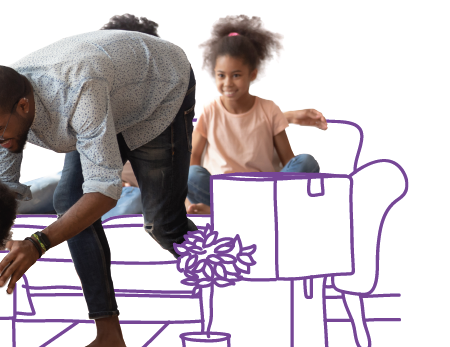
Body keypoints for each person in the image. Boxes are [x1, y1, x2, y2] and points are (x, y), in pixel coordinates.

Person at [0, 30, 197, 347]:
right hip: (109, 93)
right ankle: (110, 340)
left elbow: (104, 193)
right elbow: (2, 186)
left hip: (159, 88)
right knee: (69, 199)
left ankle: (232, 283)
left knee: (164, 225)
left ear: (24, 106)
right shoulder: (6, 99)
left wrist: (38, 243)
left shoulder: (78, 93)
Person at [17, 14, 329, 217]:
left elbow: (188, 160)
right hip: (105, 187)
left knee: (134, 199)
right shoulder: (87, 105)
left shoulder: (163, 109)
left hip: (145, 192)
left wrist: (286, 116)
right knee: (49, 187)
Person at [185, 15, 321, 215]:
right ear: (214, 73)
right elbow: (193, 158)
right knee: (191, 174)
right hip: (221, 191)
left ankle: (226, 212)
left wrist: (287, 182)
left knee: (307, 162)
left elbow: (289, 161)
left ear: (253, 74)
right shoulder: (209, 110)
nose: (228, 83)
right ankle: (246, 211)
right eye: (221, 75)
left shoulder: (269, 110)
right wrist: (188, 203)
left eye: (236, 75)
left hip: (264, 191)